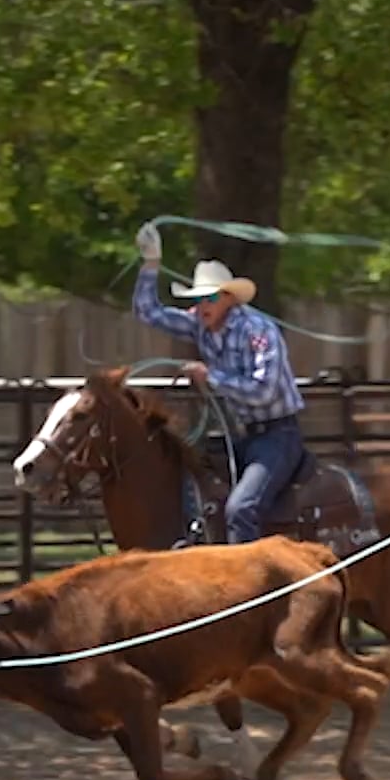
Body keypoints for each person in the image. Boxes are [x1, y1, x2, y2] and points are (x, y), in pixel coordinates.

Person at [131, 220, 308, 544]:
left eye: (209, 298)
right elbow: (147, 312)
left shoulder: (259, 331)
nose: (201, 307)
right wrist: (151, 263)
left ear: (228, 297)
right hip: (237, 435)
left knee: (242, 509)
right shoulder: (199, 324)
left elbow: (264, 390)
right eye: (197, 300)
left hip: (277, 436)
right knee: (184, 473)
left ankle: (250, 587)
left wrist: (211, 376)